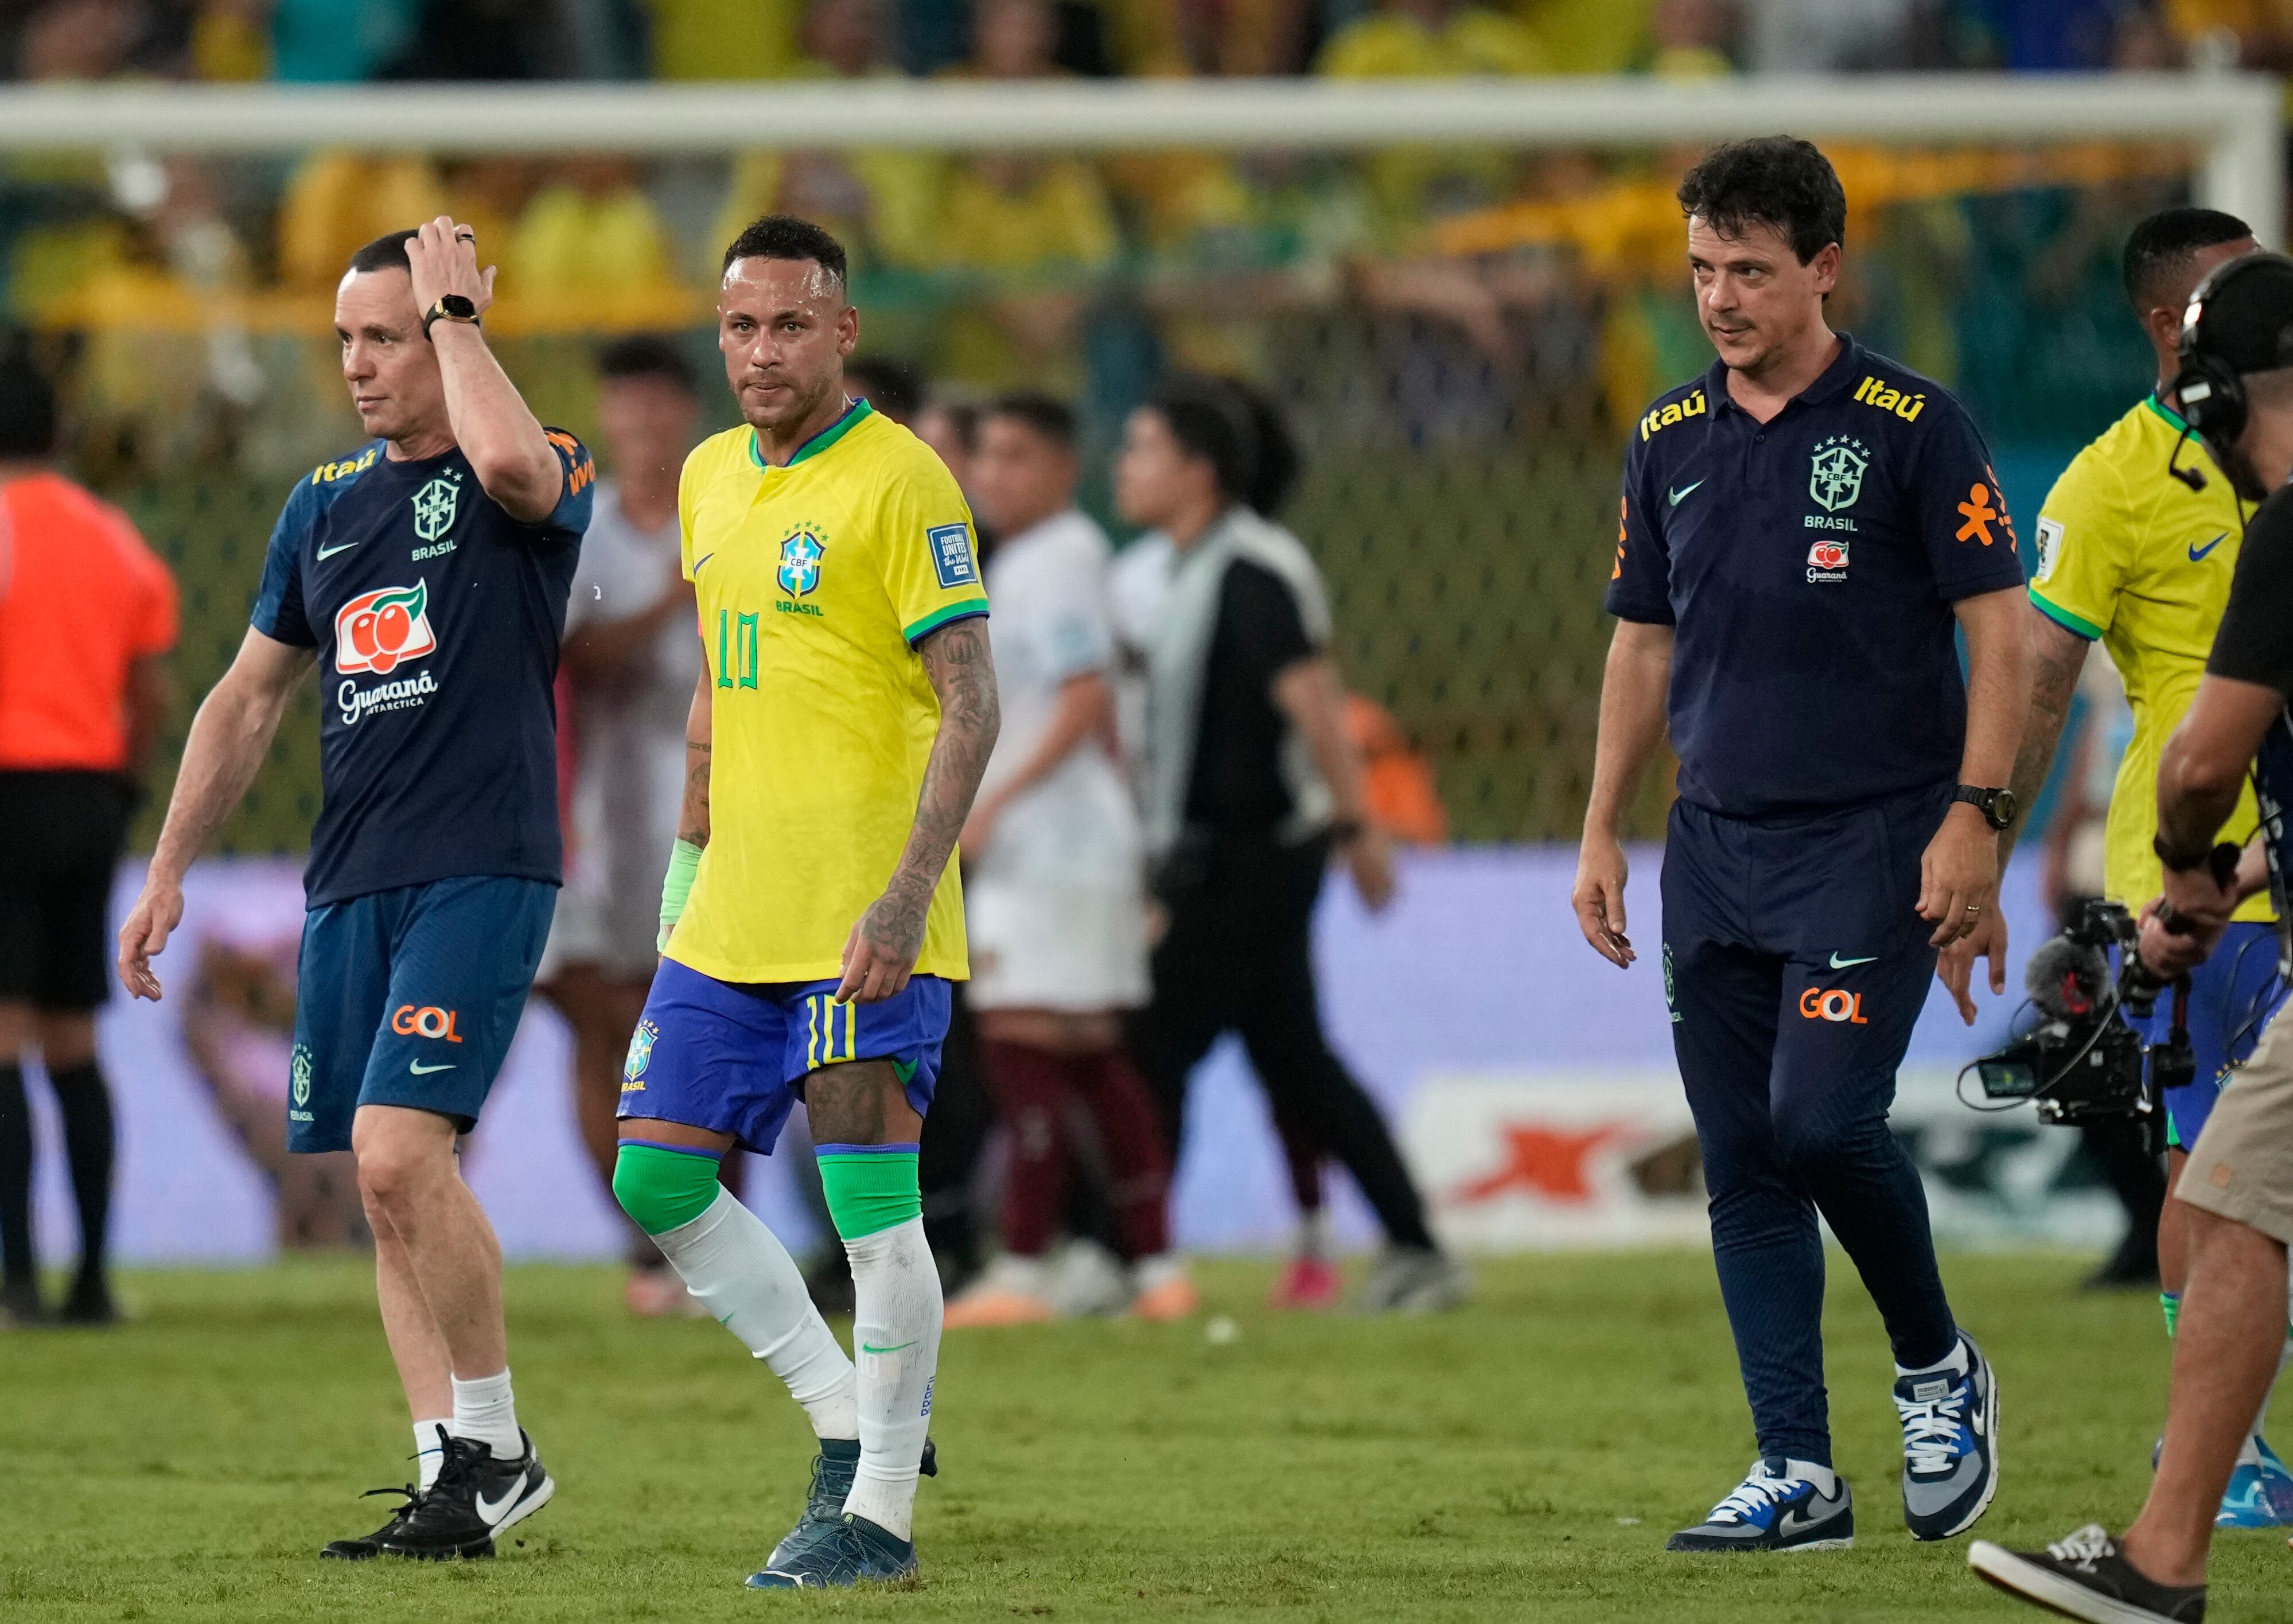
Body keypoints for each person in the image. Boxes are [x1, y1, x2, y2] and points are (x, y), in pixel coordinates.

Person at [1574, 137, 2029, 1553]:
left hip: (1874, 838)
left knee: (1820, 1121)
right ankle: (1797, 1473)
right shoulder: (1665, 440)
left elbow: (1998, 630)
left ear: (1824, 268)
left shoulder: (1911, 423)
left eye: (1751, 272)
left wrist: (1979, 817)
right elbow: (1641, 646)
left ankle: (1938, 1367)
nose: (1719, 298)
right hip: (1710, 843)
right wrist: (1599, 825)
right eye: (1703, 268)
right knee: (1744, 1162)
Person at [116, 219, 594, 1559]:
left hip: (481, 867)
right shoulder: (320, 506)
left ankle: (497, 1448)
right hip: (350, 885)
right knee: (381, 1188)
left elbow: (503, 460)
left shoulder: (544, 465)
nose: (361, 366)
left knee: (398, 1150)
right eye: (347, 341)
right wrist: (167, 873)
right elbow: (248, 697)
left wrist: (459, 320)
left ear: (448, 333)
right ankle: (450, 1472)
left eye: (388, 336)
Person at [608, 215, 998, 1590]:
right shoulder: (713, 478)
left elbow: (971, 702)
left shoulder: (905, 482)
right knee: (654, 1173)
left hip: (857, 921)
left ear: (843, 330)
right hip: (729, 908)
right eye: (739, 326)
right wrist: (682, 858)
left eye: (788, 324)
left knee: (868, 1215)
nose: (761, 351)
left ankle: (879, 1518)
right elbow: (724, 680)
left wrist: (905, 901)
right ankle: (846, 1415)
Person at [1945, 205, 2293, 1524]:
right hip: (2203, 879)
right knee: (2213, 1171)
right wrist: (1986, 835)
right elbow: (2040, 684)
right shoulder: (2108, 482)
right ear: (2169, 325)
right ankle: (2224, 1456)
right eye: (2237, 294)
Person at [1118, 372, 1465, 1313]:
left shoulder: (1252, 571)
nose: (1125, 466)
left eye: (1142, 447)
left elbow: (1312, 703)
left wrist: (1359, 829)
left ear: (1196, 472)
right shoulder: (1185, 572)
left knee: (1155, 1045)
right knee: (1290, 1059)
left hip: (1254, 858)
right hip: (1229, 855)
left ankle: (1127, 1255)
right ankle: (1413, 1246)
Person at [940, 391, 1188, 1327]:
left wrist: (989, 802)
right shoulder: (1054, 558)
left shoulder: (1053, 560)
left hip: (1050, 844)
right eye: (984, 456)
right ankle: (1156, 1267)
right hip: (1078, 842)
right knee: (1086, 1055)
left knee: (1018, 1045)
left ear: (1058, 468)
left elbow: (1083, 699)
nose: (991, 476)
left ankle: (1029, 1268)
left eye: (1013, 457)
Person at [534, 334, 713, 1317]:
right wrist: (673, 598)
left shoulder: (729, 510)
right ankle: (653, 1244)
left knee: (704, 1023)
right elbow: (580, 657)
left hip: (726, 799)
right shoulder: (589, 532)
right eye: (626, 406)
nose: (644, 425)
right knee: (603, 1021)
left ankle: (713, 1228)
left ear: (687, 416)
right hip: (604, 807)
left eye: (659, 406)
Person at [0, 350, 176, 1328]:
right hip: (88, 797)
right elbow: (149, 690)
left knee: (4, 1039)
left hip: (6, 789)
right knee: (72, 1037)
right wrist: (120, 789)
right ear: (58, 437)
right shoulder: (115, 539)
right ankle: (96, 1279)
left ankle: (17, 1279)